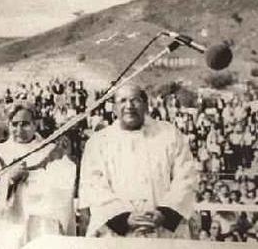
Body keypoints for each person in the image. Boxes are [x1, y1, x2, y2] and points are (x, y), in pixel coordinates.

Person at [79, 83, 197, 238]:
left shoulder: (170, 135)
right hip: (116, 235)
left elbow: (186, 177)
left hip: (162, 233)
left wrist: (164, 214)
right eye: (122, 101)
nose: (129, 106)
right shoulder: (99, 142)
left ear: (146, 105)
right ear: (114, 108)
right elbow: (93, 185)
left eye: (135, 100)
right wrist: (124, 218)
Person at [0, 105, 76, 249]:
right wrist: (10, 180)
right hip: (10, 223)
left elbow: (64, 188)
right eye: (15, 124)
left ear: (35, 124)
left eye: (25, 124)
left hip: (42, 223)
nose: (19, 130)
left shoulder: (50, 151)